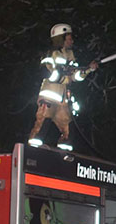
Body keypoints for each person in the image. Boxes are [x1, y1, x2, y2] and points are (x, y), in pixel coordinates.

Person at [27, 23, 98, 151]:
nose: (72, 41)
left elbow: (75, 77)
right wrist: (63, 75)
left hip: (63, 101)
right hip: (49, 98)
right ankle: (32, 152)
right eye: (69, 38)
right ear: (61, 38)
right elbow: (47, 73)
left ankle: (64, 157)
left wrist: (88, 70)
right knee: (41, 127)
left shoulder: (70, 56)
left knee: (68, 131)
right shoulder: (50, 54)